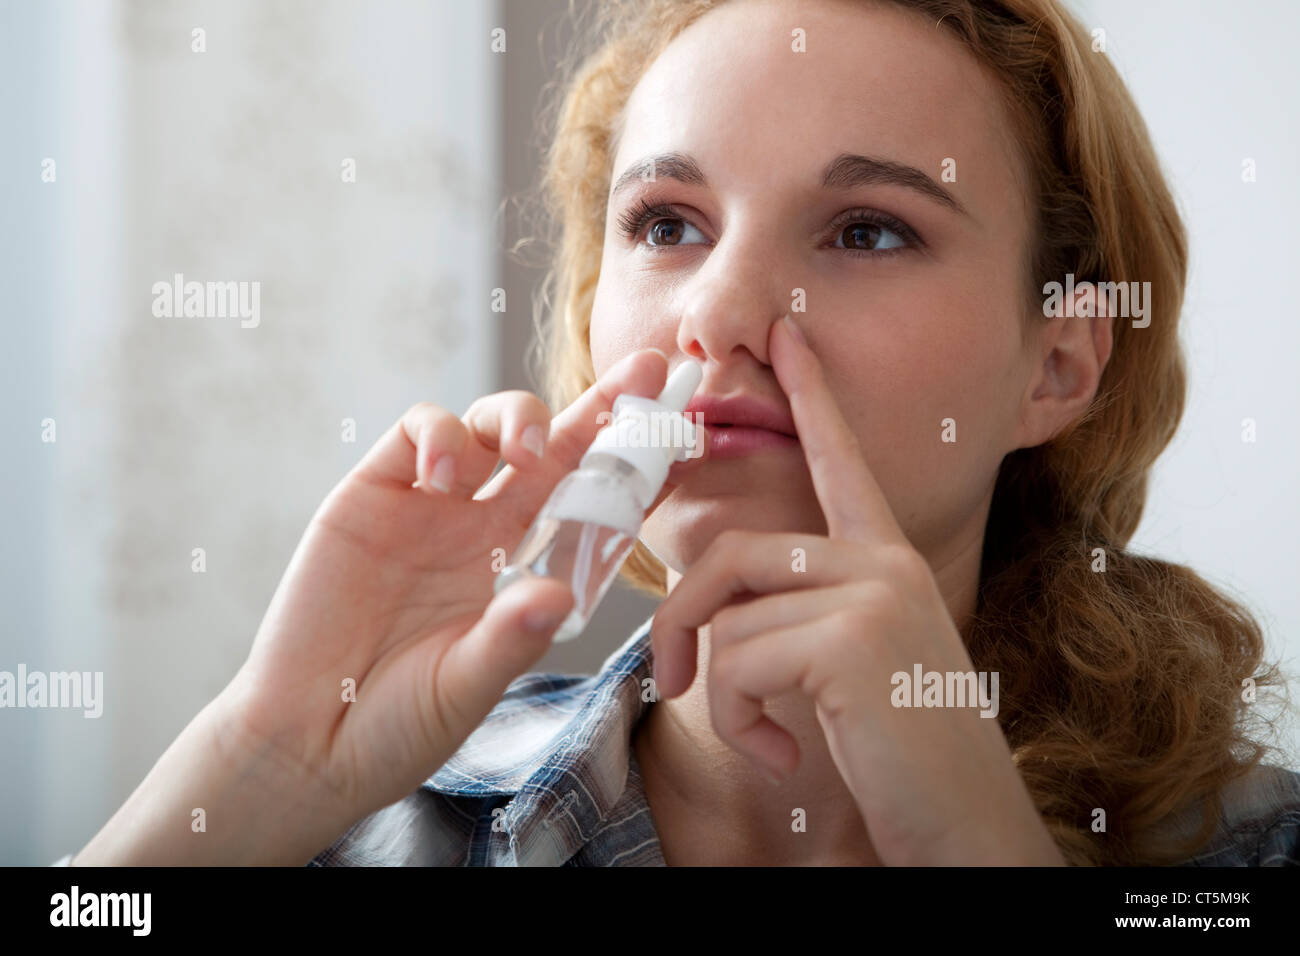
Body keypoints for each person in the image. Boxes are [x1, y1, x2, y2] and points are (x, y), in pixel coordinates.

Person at [60, 0, 1299, 867]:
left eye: (866, 230)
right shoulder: (372, 818)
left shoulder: (1243, 850)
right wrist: (265, 762)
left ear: (1060, 364)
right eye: (665, 223)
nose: (719, 313)